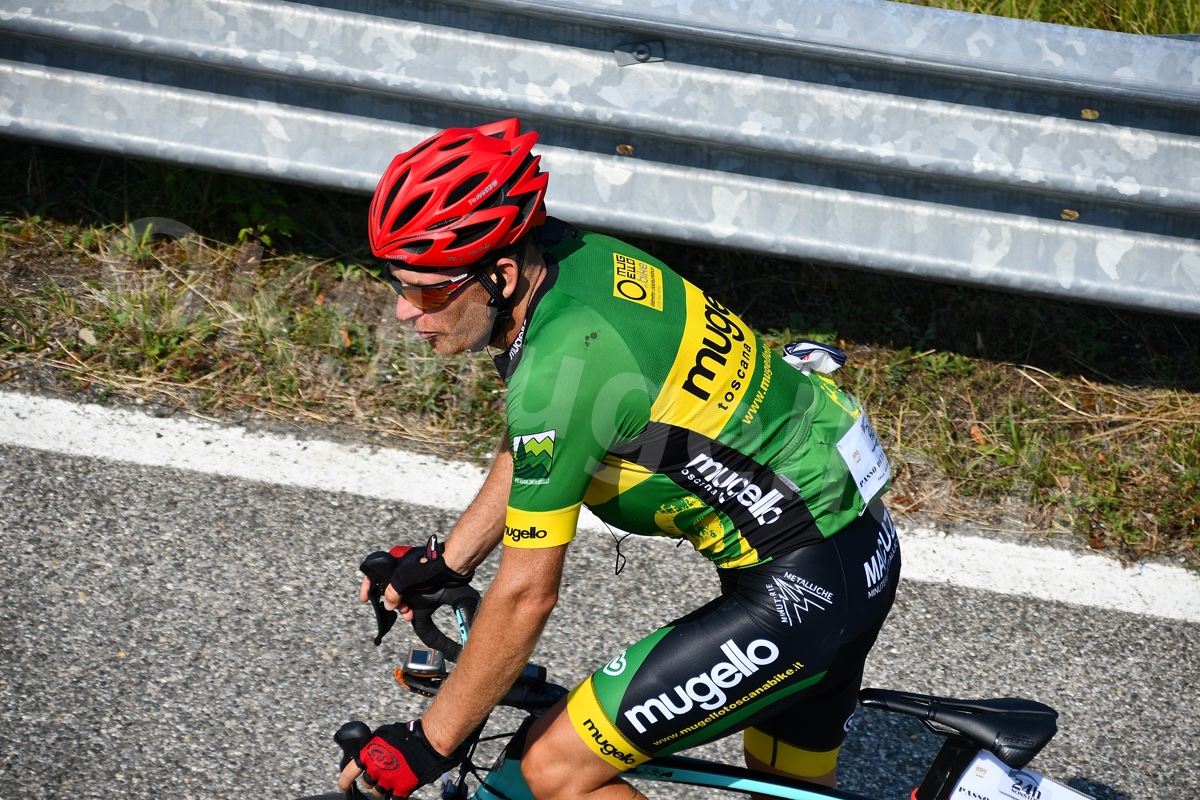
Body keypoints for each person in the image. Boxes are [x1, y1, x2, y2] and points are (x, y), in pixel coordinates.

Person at [337, 118, 901, 800]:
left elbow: (526, 596)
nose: (404, 312)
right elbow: (547, 445)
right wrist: (447, 562)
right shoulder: (577, 263)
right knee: (785, 784)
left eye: (427, 291)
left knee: (552, 769)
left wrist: (431, 742)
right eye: (397, 284)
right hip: (861, 544)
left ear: (500, 274)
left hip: (801, 590)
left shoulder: (560, 365)